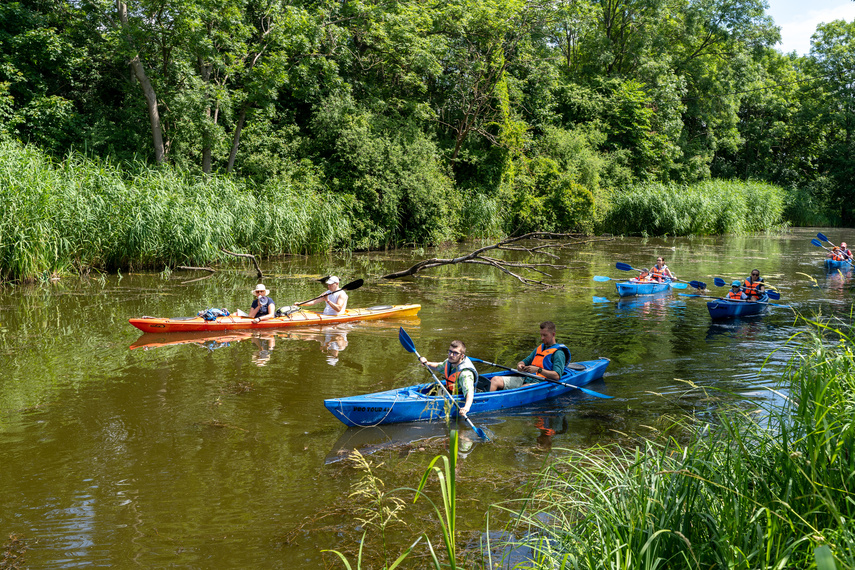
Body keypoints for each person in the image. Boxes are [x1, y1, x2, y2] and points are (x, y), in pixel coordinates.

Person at [489, 321, 570, 391]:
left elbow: (557, 376)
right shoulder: (540, 348)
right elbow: (525, 361)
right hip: (527, 379)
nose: (542, 338)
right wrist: (520, 365)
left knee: (522, 388)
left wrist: (538, 370)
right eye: (541, 335)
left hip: (542, 382)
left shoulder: (559, 353)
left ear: (553, 334)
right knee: (495, 380)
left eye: (545, 335)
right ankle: (486, 401)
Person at [418, 340, 478, 416]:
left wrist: (466, 407)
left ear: (462, 356)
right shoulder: (449, 361)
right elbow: (438, 366)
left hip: (459, 396)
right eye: (450, 351)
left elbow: (469, 392)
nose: (451, 355)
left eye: (455, 353)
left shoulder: (465, 373)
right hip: (449, 392)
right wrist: (426, 363)